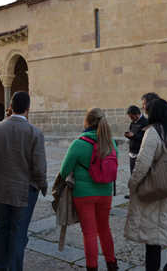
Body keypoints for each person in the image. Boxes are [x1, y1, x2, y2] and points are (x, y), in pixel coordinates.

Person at [0, 91, 48, 271]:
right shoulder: (35, 133)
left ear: (10, 107)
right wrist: (42, 186)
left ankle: (0, 264)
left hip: (2, 187)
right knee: (19, 232)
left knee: (2, 228)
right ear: (28, 108)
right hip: (25, 190)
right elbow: (39, 167)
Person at [124, 99, 167, 271]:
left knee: (153, 238)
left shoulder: (153, 133)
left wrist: (133, 185)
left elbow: (142, 165)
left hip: (154, 192)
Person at [60, 106, 119, 271]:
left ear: (86, 121)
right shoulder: (111, 142)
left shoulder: (78, 143)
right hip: (105, 192)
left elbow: (64, 171)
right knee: (104, 228)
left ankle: (92, 267)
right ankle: (112, 264)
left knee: (89, 232)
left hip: (83, 194)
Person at [124, 105, 149, 175]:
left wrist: (134, 135)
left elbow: (146, 137)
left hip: (140, 153)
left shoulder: (145, 122)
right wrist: (128, 135)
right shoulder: (132, 123)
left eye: (132, 116)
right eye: (130, 117)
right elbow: (132, 135)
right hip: (132, 152)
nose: (131, 118)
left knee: (140, 174)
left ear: (137, 114)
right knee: (133, 174)